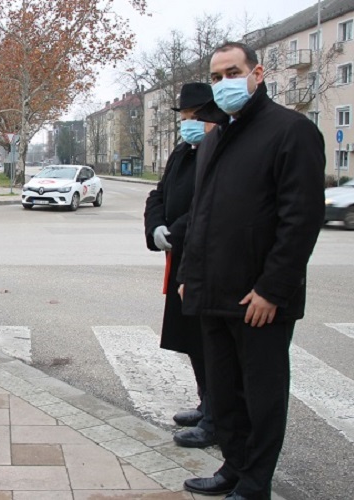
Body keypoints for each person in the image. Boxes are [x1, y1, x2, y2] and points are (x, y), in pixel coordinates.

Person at [178, 42, 325, 500]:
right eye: (217, 76)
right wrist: (189, 274)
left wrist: (272, 289)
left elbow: (300, 219)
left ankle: (255, 483)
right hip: (213, 293)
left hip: (258, 300)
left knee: (261, 396)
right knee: (224, 394)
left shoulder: (291, 131)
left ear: (257, 73)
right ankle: (233, 467)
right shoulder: (217, 136)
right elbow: (202, 213)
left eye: (232, 72)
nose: (224, 83)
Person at [144, 82, 221, 450]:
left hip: (204, 258)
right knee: (191, 339)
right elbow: (158, 193)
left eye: (194, 117)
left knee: (209, 340)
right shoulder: (182, 151)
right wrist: (155, 225)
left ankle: (217, 416)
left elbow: (211, 204)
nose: (188, 123)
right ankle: (206, 402)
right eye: (186, 117)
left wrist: (173, 230)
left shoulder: (219, 150)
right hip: (178, 257)